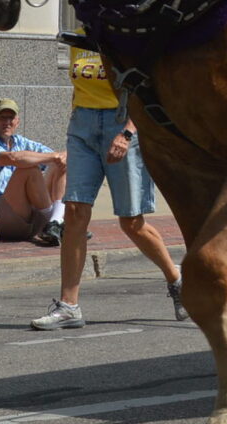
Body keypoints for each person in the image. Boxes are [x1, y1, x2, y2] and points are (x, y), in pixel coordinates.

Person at [29, 45, 187, 330]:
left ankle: (176, 280)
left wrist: (127, 133)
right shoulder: (77, 39)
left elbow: (145, 90)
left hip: (121, 123)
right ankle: (69, 307)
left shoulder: (117, 36)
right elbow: (79, 88)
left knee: (131, 222)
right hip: (82, 126)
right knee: (75, 211)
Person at [0, 100, 66, 245]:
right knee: (29, 169)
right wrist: (54, 156)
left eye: (11, 118)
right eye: (2, 117)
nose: (7, 122)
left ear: (17, 122)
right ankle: (53, 223)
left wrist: (60, 157)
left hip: (29, 215)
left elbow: (59, 157)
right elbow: (13, 158)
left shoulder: (21, 142)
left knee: (59, 164)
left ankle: (56, 221)